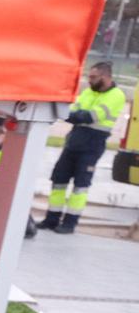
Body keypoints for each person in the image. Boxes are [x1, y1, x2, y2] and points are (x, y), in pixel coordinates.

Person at [37, 60, 127, 235]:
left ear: (106, 77)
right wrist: (72, 115)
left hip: (92, 145)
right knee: (59, 180)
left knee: (80, 185)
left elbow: (88, 116)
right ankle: (51, 219)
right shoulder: (87, 92)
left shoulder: (116, 95)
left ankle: (70, 222)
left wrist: (72, 115)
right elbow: (72, 112)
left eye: (93, 77)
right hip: (74, 142)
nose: (90, 80)